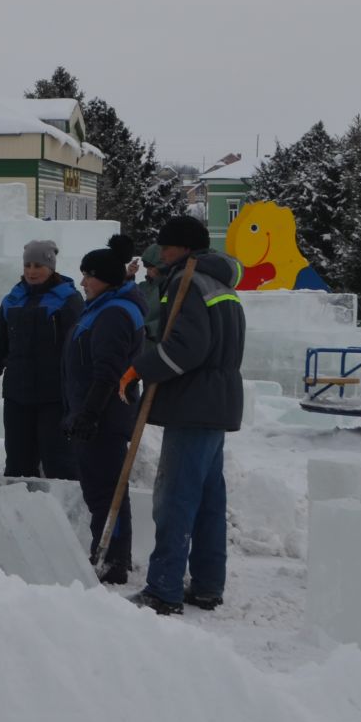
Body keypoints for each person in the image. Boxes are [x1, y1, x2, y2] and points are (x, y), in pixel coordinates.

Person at [126, 214, 246, 616]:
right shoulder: (219, 282)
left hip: (193, 403)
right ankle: (208, 585)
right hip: (219, 400)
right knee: (209, 499)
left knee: (175, 498)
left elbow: (187, 347)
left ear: (181, 248)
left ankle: (164, 589)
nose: (161, 251)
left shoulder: (186, 281)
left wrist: (141, 367)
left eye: (166, 245)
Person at [62, 247, 146, 585]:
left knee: (107, 492)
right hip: (93, 413)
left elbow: (107, 372)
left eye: (89, 275)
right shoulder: (102, 307)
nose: (82, 282)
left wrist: (89, 414)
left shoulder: (113, 314)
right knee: (101, 490)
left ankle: (113, 560)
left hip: (104, 417)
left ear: (107, 280)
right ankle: (106, 552)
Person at [0, 240, 83, 480]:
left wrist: (80, 401)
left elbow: (79, 353)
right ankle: (21, 515)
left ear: (51, 267)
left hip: (55, 399)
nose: (32, 271)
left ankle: (65, 515)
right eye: (28, 265)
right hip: (17, 397)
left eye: (38, 265)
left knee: (59, 465)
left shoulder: (67, 300)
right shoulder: (12, 300)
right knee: (18, 467)